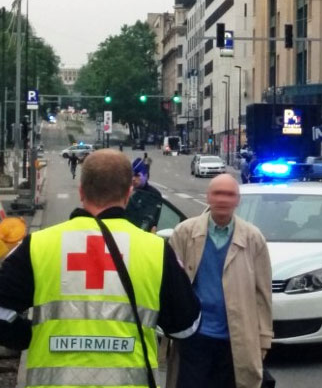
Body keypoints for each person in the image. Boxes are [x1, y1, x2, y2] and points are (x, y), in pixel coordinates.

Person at [0, 149, 201, 386]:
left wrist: (28, 336)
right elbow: (187, 326)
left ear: (82, 191)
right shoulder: (155, 250)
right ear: (128, 193)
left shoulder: (38, 245)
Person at [166, 174, 273, 388]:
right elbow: (172, 287)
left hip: (235, 338)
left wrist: (264, 338)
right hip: (194, 337)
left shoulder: (253, 238)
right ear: (208, 197)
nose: (223, 199)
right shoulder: (185, 233)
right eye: (217, 193)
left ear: (237, 200)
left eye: (229, 194)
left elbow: (263, 294)